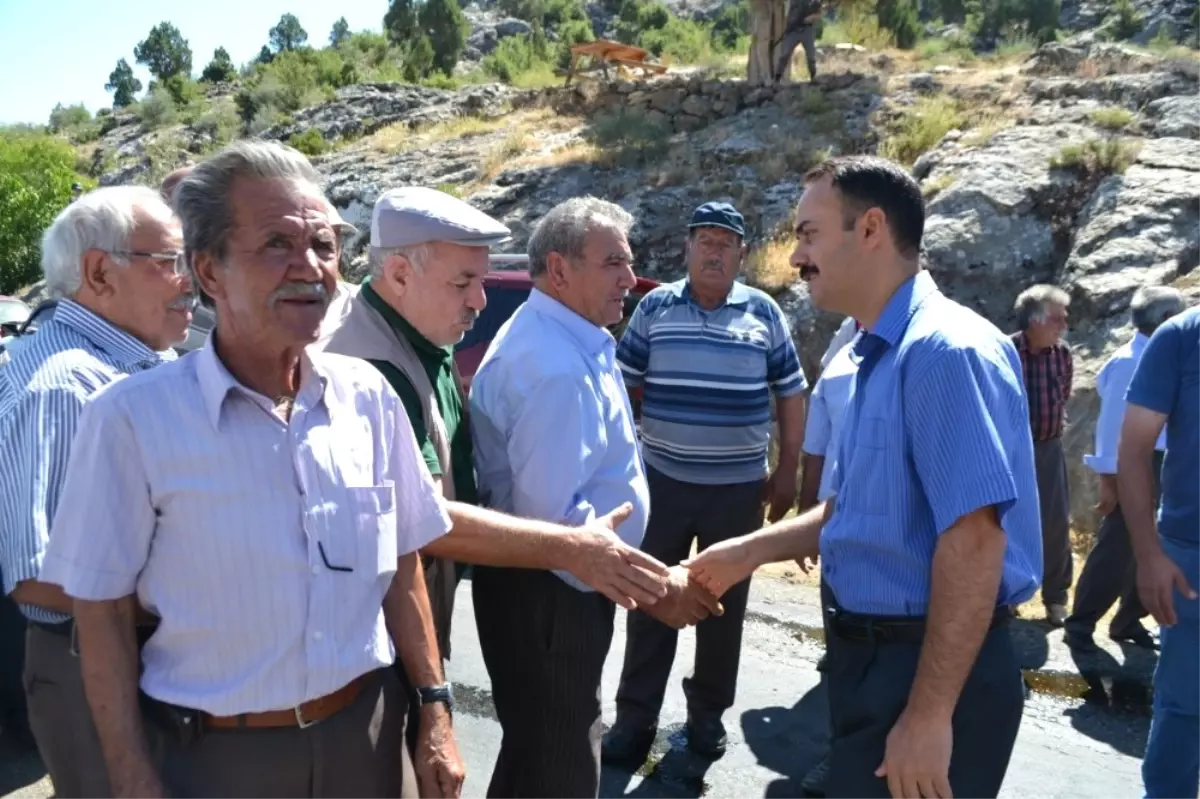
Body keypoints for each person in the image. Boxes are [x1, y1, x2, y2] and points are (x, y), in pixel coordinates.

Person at [38, 141, 462, 799]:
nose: (311, 267)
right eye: (277, 245)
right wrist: (129, 774)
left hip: (368, 741)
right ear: (209, 270)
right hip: (216, 758)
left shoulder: (368, 396)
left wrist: (435, 709)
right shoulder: (130, 419)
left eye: (324, 245)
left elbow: (403, 564)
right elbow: (100, 613)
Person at [684, 156, 1041, 798]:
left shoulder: (943, 353)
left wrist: (929, 716)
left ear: (871, 228)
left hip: (927, 673)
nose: (795, 257)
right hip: (878, 665)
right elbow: (860, 508)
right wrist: (742, 553)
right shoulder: (875, 351)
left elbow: (975, 543)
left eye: (808, 233)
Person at [318, 186, 670, 758]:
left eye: (482, 281)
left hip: (417, 615)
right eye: (464, 283)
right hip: (375, 636)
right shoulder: (372, 365)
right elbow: (425, 519)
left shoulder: (423, 343)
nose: (482, 302)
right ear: (401, 274)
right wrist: (584, 552)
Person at [469, 196, 718, 798]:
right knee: (560, 767)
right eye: (614, 263)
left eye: (628, 264)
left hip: (561, 589)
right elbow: (559, 528)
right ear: (560, 269)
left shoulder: (568, 338)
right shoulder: (552, 365)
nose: (630, 280)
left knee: (539, 759)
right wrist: (657, 591)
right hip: (555, 593)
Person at [0, 185, 193, 799]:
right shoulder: (64, 386)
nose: (189, 279)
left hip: (143, 661)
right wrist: (204, 600)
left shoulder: (139, 363)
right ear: (98, 272)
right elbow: (38, 578)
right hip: (91, 671)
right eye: (169, 261)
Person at [602, 201, 807, 764]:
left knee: (723, 611)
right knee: (649, 600)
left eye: (727, 242)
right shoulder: (655, 309)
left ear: (742, 254)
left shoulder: (764, 313)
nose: (715, 251)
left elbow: (791, 391)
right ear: (687, 249)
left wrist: (787, 470)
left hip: (737, 494)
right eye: (705, 240)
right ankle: (635, 721)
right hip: (662, 487)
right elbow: (620, 391)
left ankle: (706, 719)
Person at [1065, 286, 1185, 654]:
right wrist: (1110, 480)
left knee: (1159, 543)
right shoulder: (1130, 362)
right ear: (1165, 320)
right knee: (1117, 545)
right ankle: (1081, 622)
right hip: (1136, 462)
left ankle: (1129, 620)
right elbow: (1111, 427)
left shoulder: (1166, 355)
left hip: (1166, 461)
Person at [1118, 301, 1200, 799]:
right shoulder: (1181, 336)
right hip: (1190, 560)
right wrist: (1148, 555)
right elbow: (1133, 449)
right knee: (1183, 711)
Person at [795, 319, 859, 798]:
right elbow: (816, 439)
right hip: (837, 525)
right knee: (844, 652)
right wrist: (804, 515)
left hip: (899, 538)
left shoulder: (936, 345)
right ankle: (842, 757)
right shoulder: (843, 351)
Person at [1011, 284, 1074, 627]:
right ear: (1034, 320)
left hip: (1049, 449)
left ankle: (1056, 600)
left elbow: (1062, 396)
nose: (1063, 325)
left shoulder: (1062, 353)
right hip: (1011, 452)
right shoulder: (1005, 351)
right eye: (1057, 318)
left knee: (1054, 524)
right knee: (1008, 523)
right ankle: (1007, 596)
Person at [774, 0, 822, 82]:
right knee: (784, 55)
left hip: (807, 30)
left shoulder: (814, 2)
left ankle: (813, 78)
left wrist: (811, 17)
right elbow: (786, 14)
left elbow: (819, 14)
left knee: (811, 56)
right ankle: (777, 79)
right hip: (792, 31)